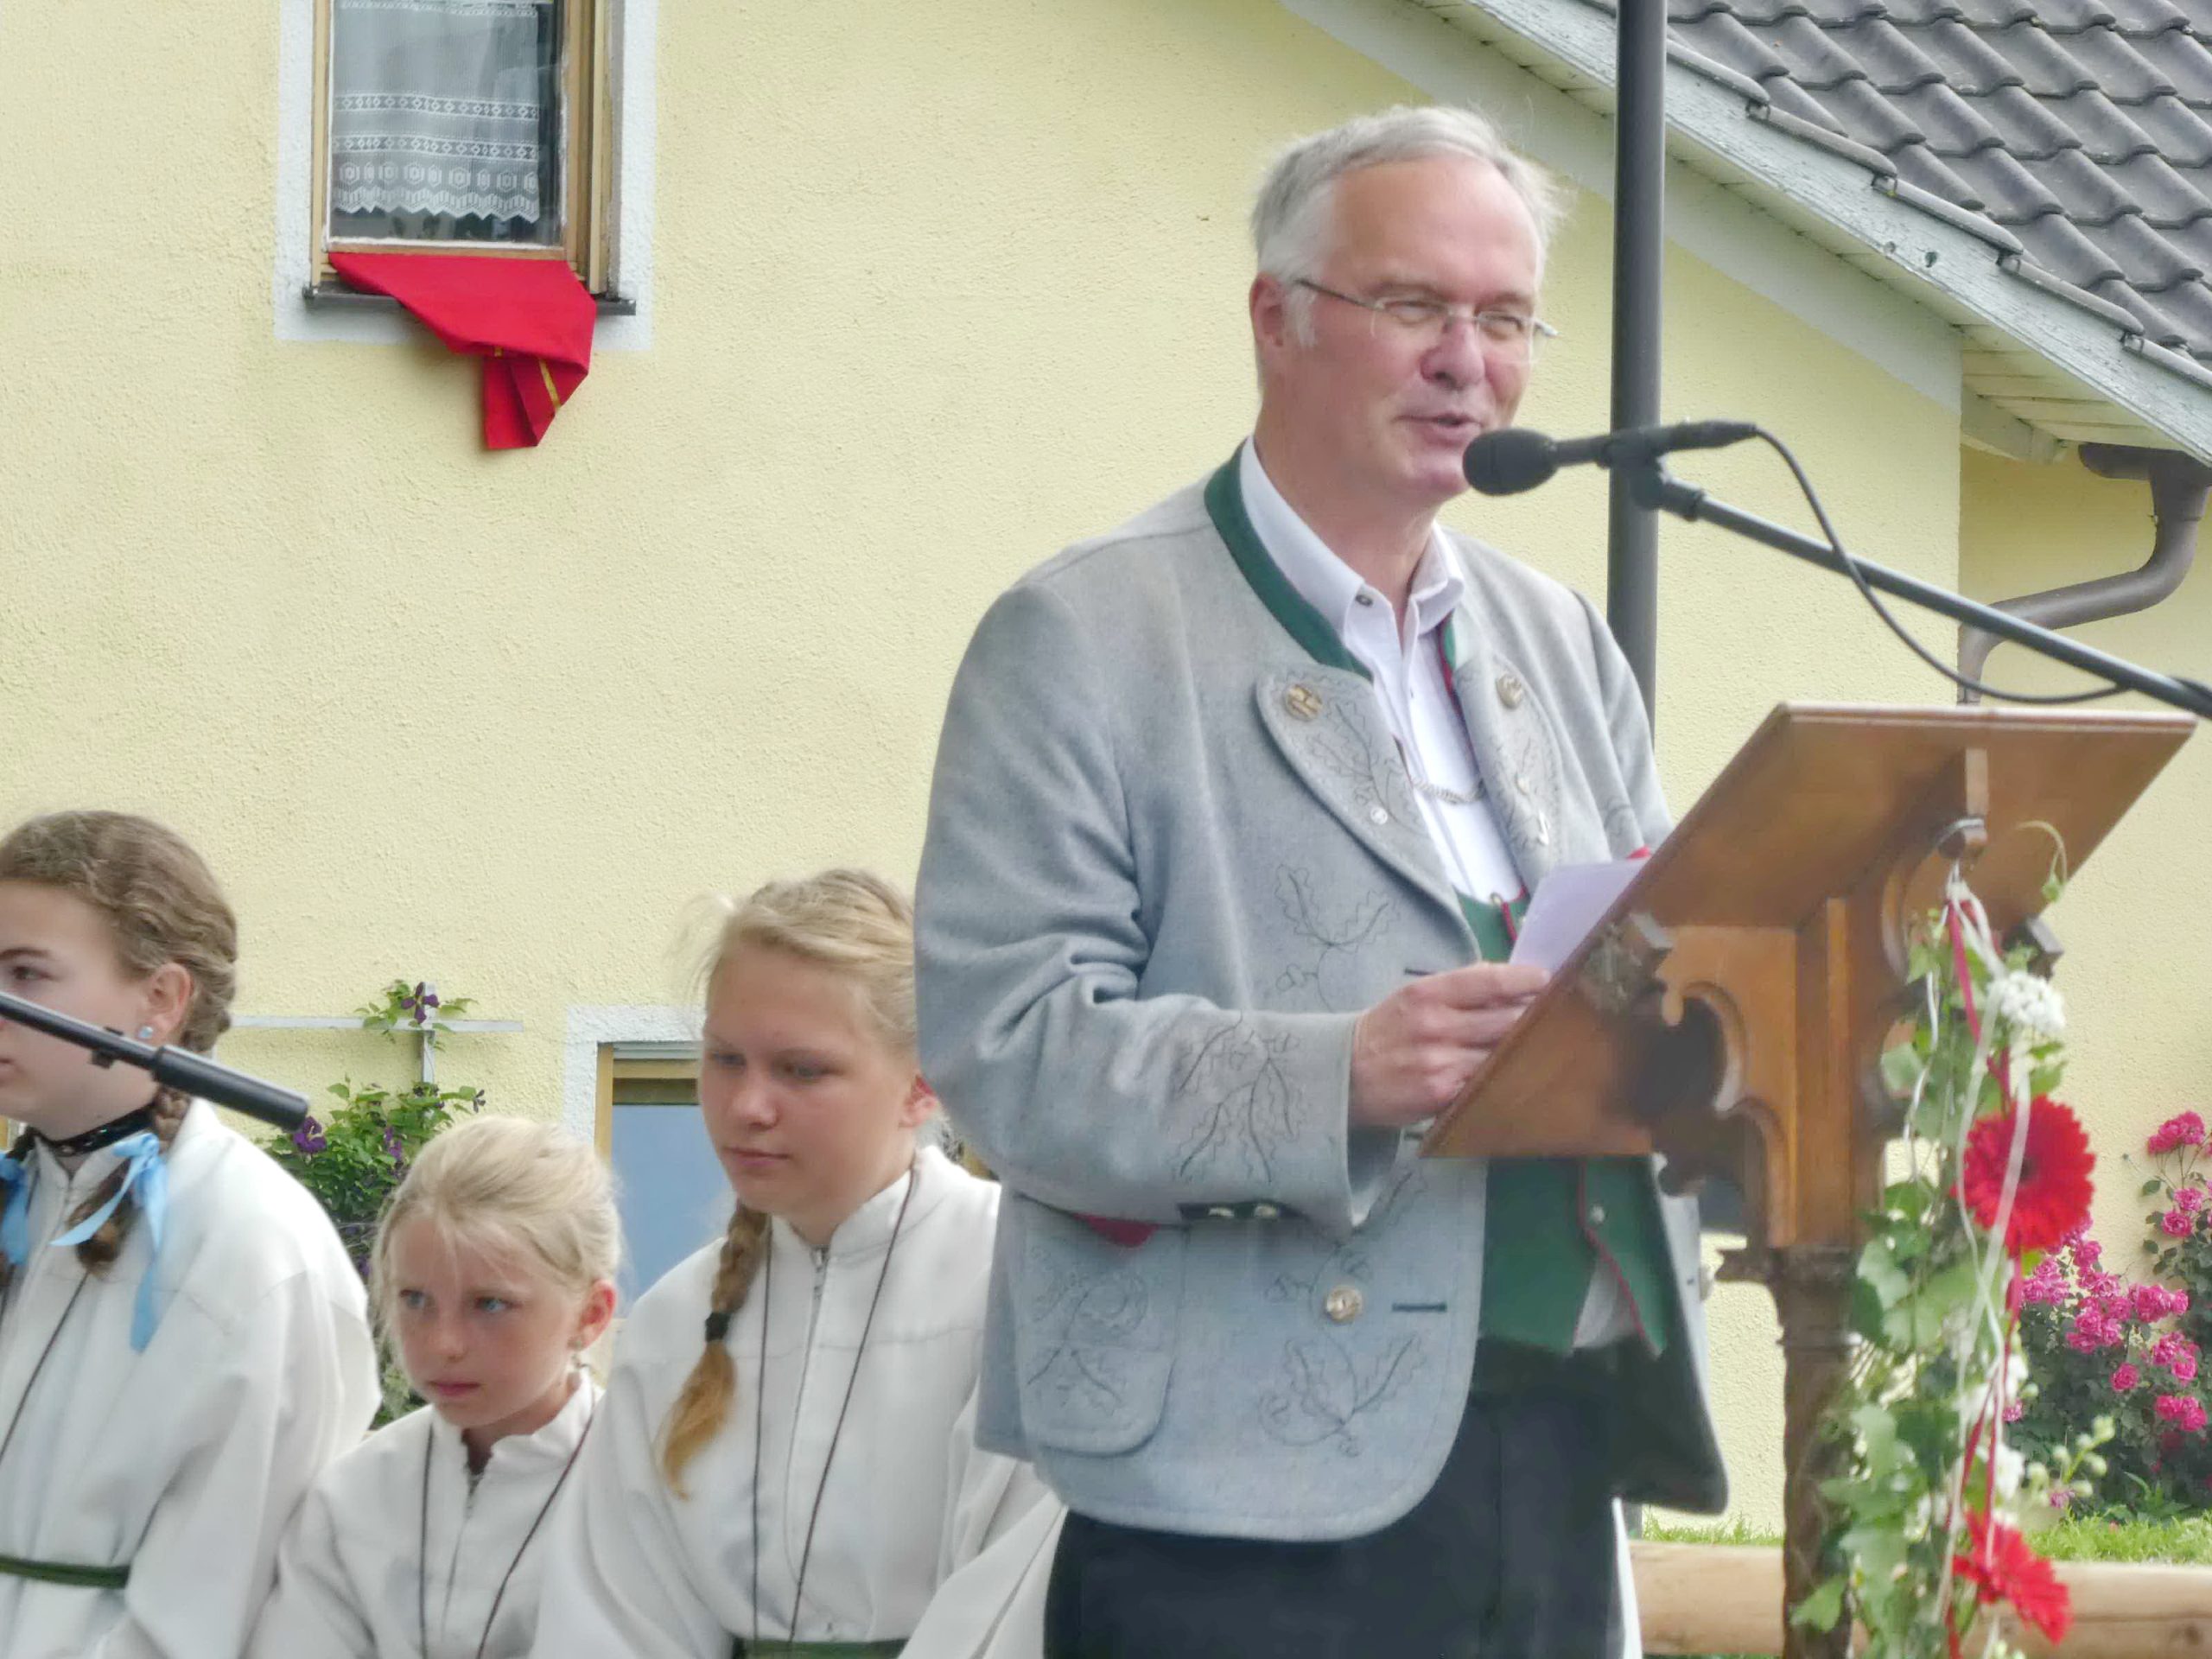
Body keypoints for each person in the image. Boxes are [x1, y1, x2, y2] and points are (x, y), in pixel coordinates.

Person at [913, 105, 1726, 1659]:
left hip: (1558, 1442)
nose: (1466, 362)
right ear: (1275, 319)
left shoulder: (1560, 639)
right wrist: (1336, 1073)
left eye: (1505, 319)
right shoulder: (1084, 635)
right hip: (1235, 1499)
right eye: (1414, 304)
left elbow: (1669, 955)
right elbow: (1005, 1053)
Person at [532, 869, 1059, 1659]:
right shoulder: (676, 1321)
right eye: (725, 1059)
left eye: (802, 1069)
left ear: (924, 1083)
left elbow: (1015, 1603)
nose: (748, 1106)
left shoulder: (1018, 1286)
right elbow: (613, 1616)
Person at [0, 810, 379, 1658]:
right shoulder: (21, 1200)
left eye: (26, 973)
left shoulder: (254, 1248)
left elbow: (215, 1613)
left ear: (162, 1001)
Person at [249, 1114, 620, 1659]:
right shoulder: (352, 1498)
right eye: (416, 1300)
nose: (444, 1343)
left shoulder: (639, 1495)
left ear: (591, 1314)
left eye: (490, 1304)